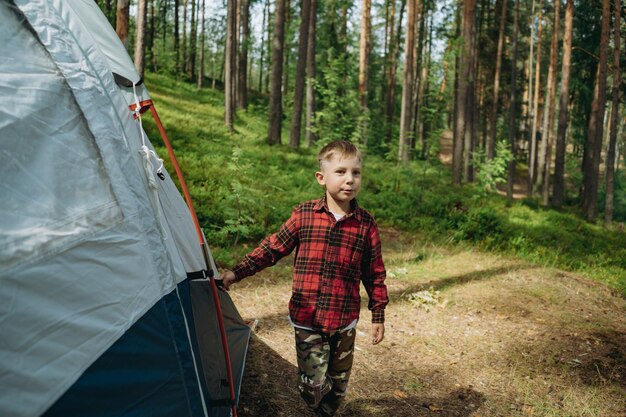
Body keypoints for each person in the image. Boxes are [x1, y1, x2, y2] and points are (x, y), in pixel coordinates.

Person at [220, 140, 388, 417]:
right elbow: (272, 249)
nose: (350, 180)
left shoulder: (365, 224)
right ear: (321, 178)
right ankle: (314, 403)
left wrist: (378, 313)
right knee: (314, 384)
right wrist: (237, 272)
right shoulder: (304, 216)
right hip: (307, 318)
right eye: (341, 172)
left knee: (339, 386)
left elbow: (374, 272)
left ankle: (326, 412)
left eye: (356, 173)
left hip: (344, 320)